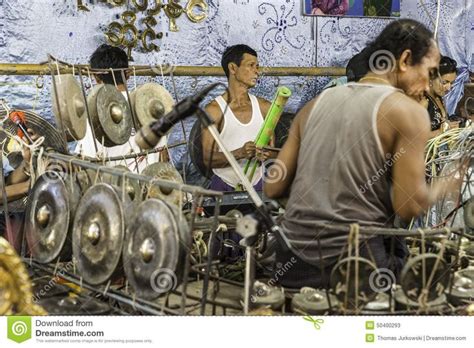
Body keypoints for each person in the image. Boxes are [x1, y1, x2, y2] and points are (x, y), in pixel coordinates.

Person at [264, 19, 463, 289]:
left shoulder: (314, 105)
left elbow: (274, 187)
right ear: (405, 60)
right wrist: (446, 185)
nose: (428, 85)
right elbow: (409, 206)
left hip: (292, 260)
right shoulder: (408, 113)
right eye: (428, 72)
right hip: (357, 265)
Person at [76, 44, 165, 171]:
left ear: (96, 77)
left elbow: (87, 164)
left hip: (115, 188)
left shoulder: (94, 114)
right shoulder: (152, 107)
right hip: (153, 187)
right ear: (127, 74)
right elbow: (163, 156)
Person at [201, 44, 274, 192]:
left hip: (258, 186)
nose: (257, 71)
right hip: (223, 186)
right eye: (251, 65)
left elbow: (272, 150)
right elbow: (207, 159)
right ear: (233, 68)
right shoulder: (214, 111)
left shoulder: (265, 107)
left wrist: (265, 154)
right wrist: (239, 153)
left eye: (258, 66)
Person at [420, 56, 458, 137]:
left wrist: (449, 125)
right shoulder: (424, 102)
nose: (449, 88)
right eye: (444, 82)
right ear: (431, 78)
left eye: (452, 83)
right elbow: (413, 137)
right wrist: (441, 132)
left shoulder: (439, 99)